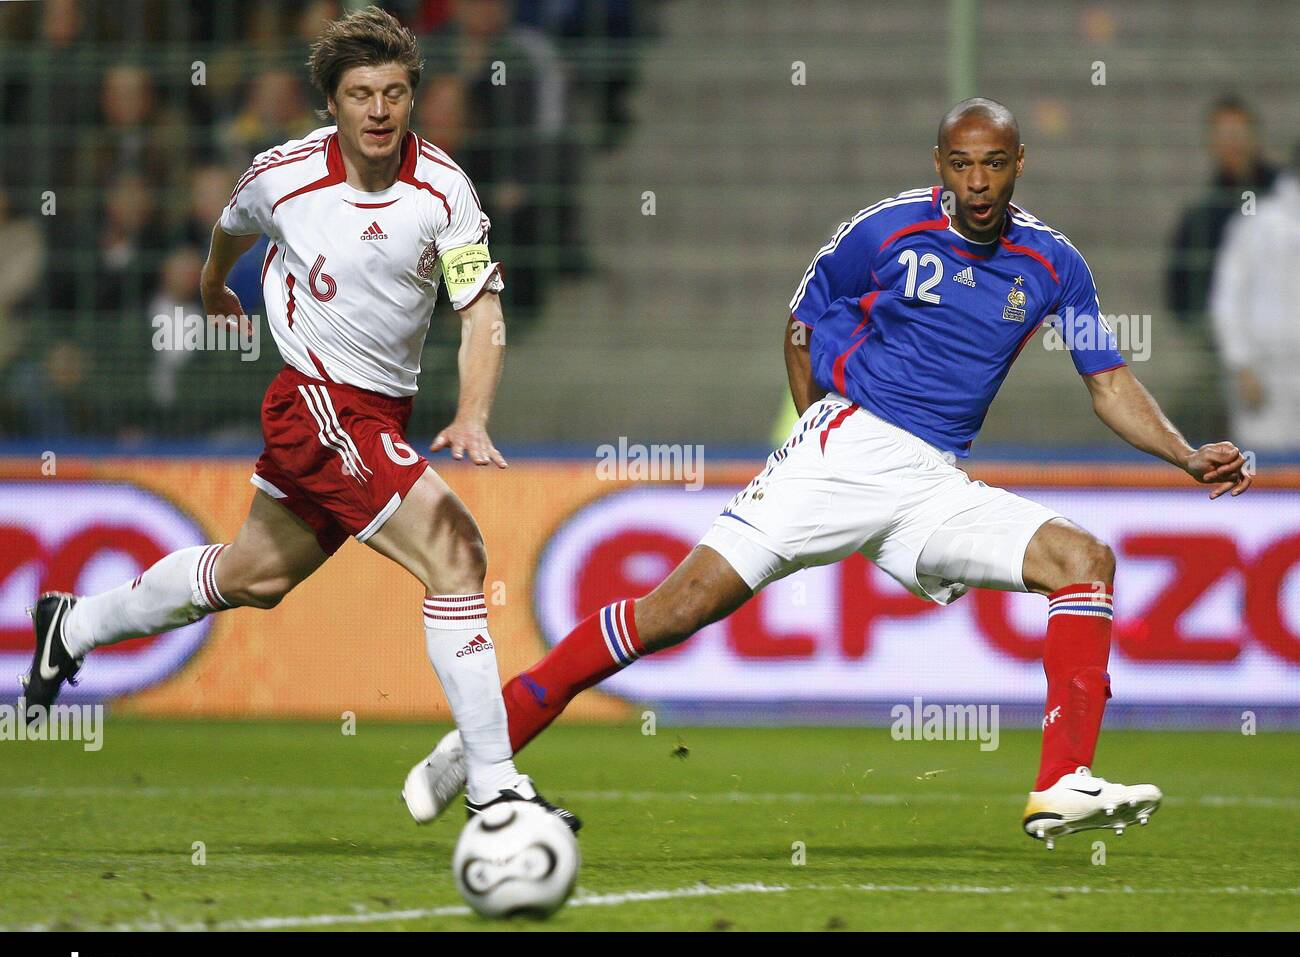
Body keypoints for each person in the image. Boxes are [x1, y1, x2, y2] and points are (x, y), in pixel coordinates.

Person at [406, 98, 1255, 848]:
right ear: (939, 166)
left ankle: (1060, 782)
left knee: (1085, 562)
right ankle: (480, 743)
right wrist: (816, 420)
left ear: (1019, 163)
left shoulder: (1052, 263)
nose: (979, 180)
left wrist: (1184, 453)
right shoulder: (883, 229)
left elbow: (1106, 381)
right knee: (674, 613)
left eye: (994, 163)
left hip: (933, 486)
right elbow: (802, 322)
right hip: (844, 450)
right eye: (961, 163)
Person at [22, 5, 578, 830]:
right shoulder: (282, 175)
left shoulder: (446, 190)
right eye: (362, 94)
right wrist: (214, 286)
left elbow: (482, 308)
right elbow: (228, 228)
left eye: (395, 92)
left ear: (412, 98)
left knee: (254, 577)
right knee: (457, 552)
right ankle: (496, 789)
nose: (380, 110)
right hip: (317, 402)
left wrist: (472, 411)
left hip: (376, 414)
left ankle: (74, 623)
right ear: (333, 104)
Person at [1166, 95, 1279, 439]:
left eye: (1239, 133)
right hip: (1220, 353)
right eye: (1223, 135)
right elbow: (1180, 292)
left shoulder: (1286, 200)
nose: (1232, 144)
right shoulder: (1201, 217)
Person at [1209, 140, 1300, 451]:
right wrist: (1242, 365)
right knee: (1265, 479)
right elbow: (1227, 299)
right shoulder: (1257, 222)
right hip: (1265, 376)